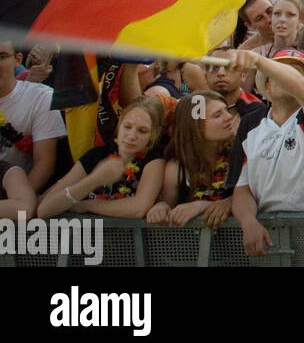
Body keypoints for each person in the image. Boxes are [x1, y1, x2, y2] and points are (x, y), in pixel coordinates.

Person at [231, 49, 304, 256]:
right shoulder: (250, 124)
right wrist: (248, 222)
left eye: (296, 72)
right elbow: (242, 187)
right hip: (267, 239)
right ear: (265, 85)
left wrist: (257, 59)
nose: (286, 76)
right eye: (279, 70)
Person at [37, 96, 166, 219]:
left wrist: (87, 205)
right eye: (127, 126)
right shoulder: (97, 155)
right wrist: (94, 180)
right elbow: (44, 210)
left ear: (154, 133)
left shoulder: (154, 158)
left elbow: (138, 208)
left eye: (142, 131)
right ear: (119, 123)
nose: (132, 136)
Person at [146, 91, 239, 228]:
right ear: (196, 127)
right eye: (217, 115)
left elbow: (258, 198)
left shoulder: (242, 154)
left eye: (226, 110)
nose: (229, 117)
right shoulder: (176, 169)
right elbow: (168, 206)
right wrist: (161, 207)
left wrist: (210, 205)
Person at [0, 40, 67, 192]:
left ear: (17, 60)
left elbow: (44, 165)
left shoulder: (40, 97)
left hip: (18, 196)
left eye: (1, 56)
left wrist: (18, 201)